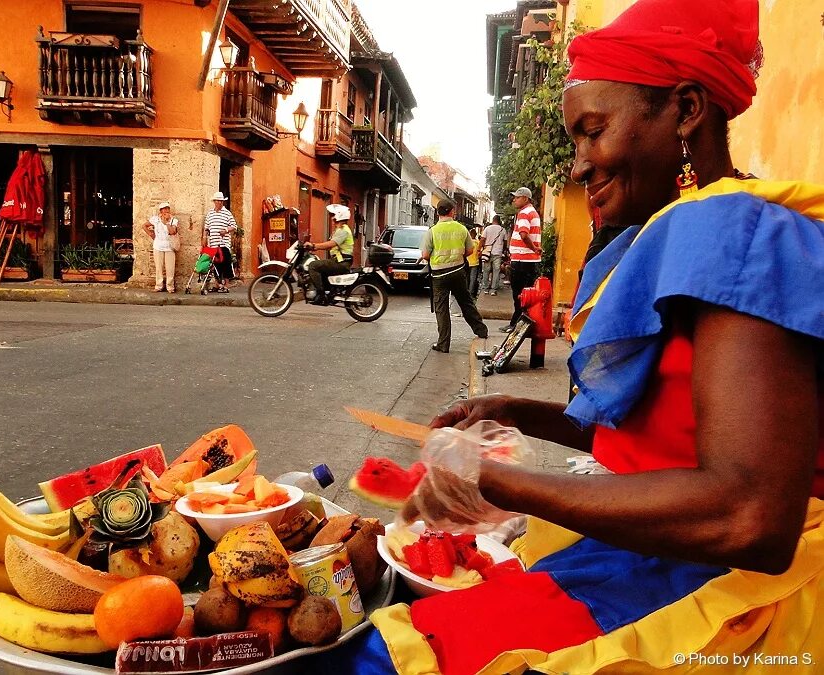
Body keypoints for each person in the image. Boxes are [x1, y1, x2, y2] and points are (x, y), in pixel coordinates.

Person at [322, 1, 824, 672]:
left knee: (377, 658)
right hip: (652, 552)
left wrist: (503, 482)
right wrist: (519, 413)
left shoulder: (742, 235)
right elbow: (661, 439)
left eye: (594, 131)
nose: (580, 165)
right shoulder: (686, 230)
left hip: (723, 589)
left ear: (687, 109)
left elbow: (750, 515)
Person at [421, 199, 488, 352]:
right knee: (466, 302)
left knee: (442, 309)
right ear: (452, 212)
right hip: (458, 272)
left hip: (438, 275)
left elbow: (425, 255)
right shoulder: (462, 229)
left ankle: (443, 344)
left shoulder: (432, 231)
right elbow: (470, 251)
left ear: (438, 212)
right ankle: (481, 330)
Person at [499, 187, 542, 332]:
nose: (514, 200)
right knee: (526, 294)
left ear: (525, 198)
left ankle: (516, 324)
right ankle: (521, 323)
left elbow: (523, 235)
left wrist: (533, 248)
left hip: (522, 260)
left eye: (517, 197)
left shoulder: (524, 213)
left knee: (519, 294)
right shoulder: (532, 212)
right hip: (529, 261)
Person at [305, 204, 355, 305]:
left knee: (313, 265)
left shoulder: (343, 230)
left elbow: (331, 244)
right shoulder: (340, 230)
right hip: (339, 260)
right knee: (320, 265)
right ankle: (328, 292)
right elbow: (330, 246)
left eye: (334, 215)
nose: (332, 218)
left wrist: (313, 246)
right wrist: (313, 249)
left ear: (339, 216)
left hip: (341, 262)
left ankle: (321, 295)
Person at [203, 192, 237, 293]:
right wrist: (204, 237)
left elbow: (234, 226)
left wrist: (226, 230)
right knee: (215, 264)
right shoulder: (210, 213)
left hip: (223, 243)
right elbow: (206, 227)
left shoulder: (227, 213)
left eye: (221, 201)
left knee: (226, 263)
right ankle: (218, 285)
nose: (219, 202)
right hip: (213, 243)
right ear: (214, 202)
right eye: (217, 200)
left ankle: (226, 285)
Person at [141, 201, 178, 293]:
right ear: (160, 211)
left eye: (167, 209)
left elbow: (172, 232)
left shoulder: (174, 220)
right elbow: (144, 225)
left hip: (169, 247)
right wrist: (151, 234)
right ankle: (159, 286)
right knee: (159, 267)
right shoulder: (155, 219)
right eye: (164, 209)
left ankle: (170, 287)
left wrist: (167, 222)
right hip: (158, 246)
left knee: (170, 268)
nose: (166, 211)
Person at [479, 214, 506, 296]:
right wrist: (503, 250)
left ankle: (486, 288)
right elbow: (505, 242)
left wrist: (479, 250)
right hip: (498, 252)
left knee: (486, 271)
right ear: (499, 221)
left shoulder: (487, 228)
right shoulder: (503, 230)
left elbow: (482, 240)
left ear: (493, 220)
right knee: (496, 271)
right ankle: (493, 290)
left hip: (487, 252)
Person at [466, 224, 483, 300]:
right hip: (475, 263)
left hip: (466, 263)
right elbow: (480, 253)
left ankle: (466, 293)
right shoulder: (478, 242)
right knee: (473, 279)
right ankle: (470, 294)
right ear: (475, 235)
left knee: (467, 278)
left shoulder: (466, 242)